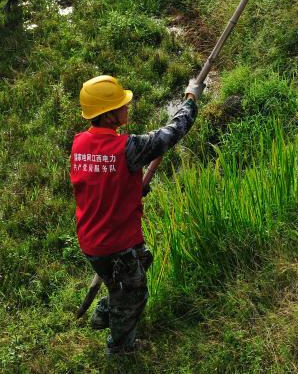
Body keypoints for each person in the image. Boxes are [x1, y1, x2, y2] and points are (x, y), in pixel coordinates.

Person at [70, 74, 203, 355]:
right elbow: (174, 130)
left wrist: (131, 190)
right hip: (114, 244)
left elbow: (101, 184)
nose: (127, 107)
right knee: (135, 295)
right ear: (108, 116)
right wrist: (191, 98)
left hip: (92, 239)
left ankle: (107, 309)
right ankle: (121, 348)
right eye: (122, 104)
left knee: (142, 260)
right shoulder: (127, 148)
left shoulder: (79, 144)